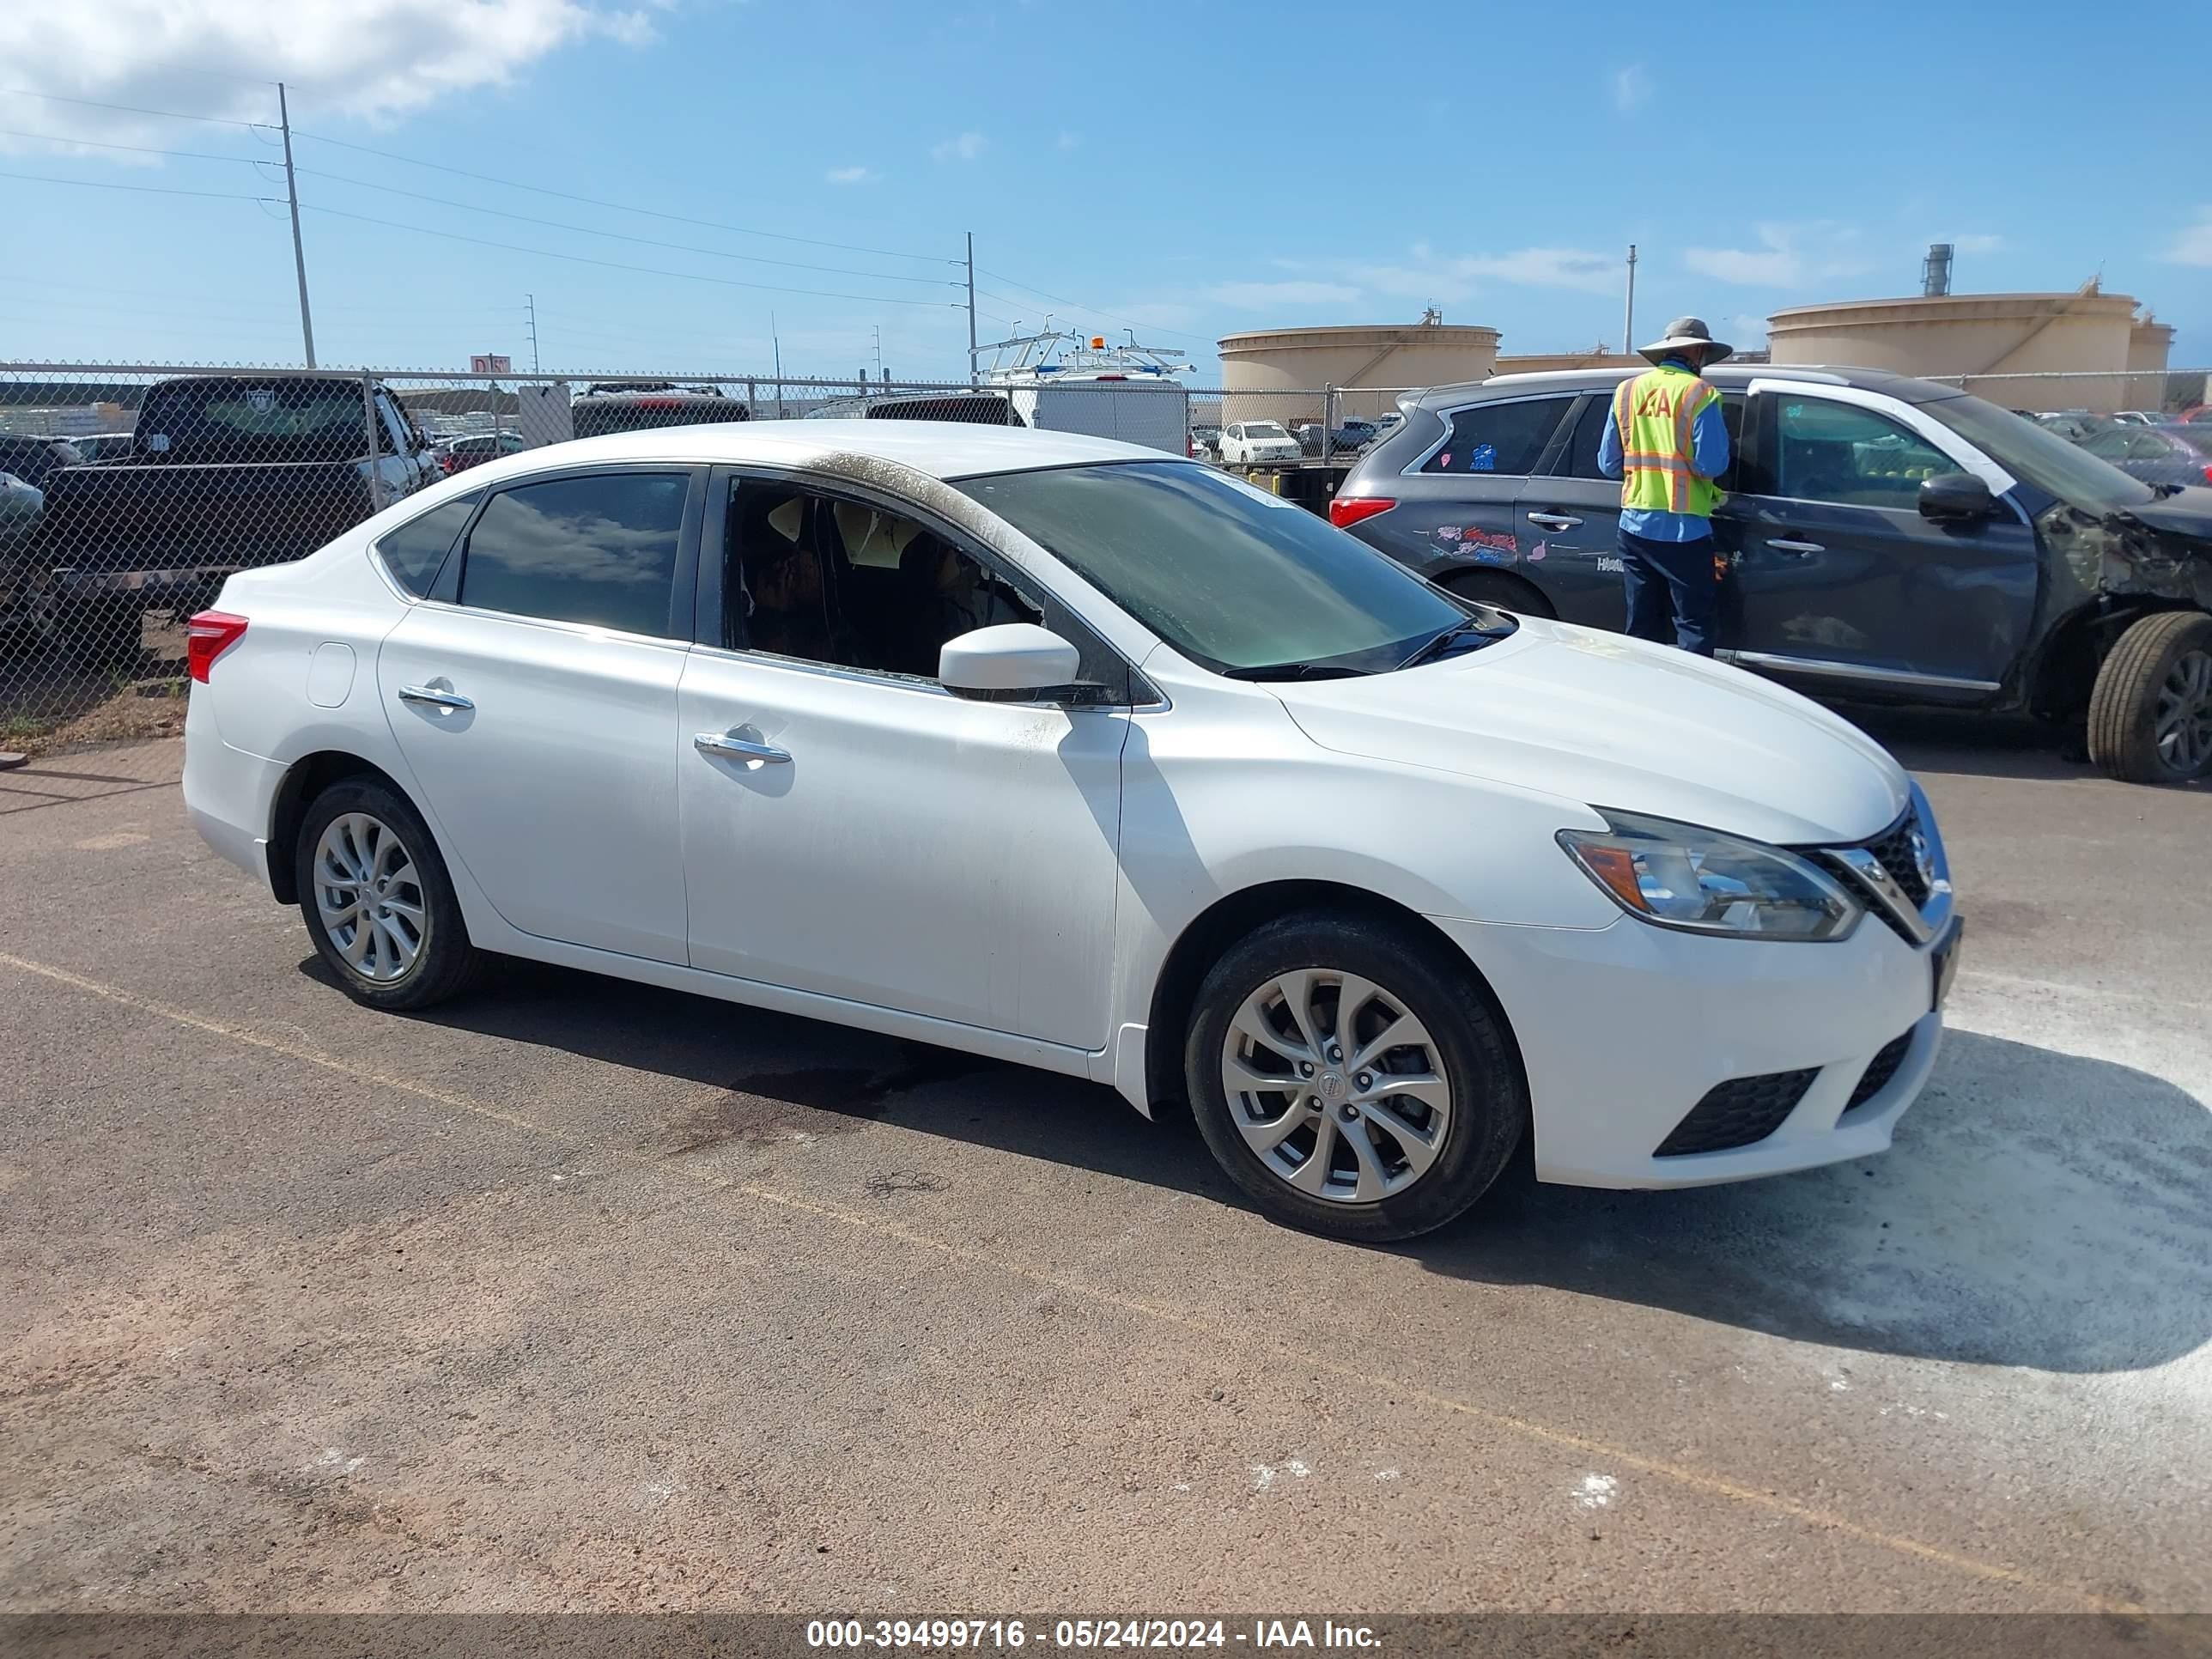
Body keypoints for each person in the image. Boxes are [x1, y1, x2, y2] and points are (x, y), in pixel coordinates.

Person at [1596, 316, 1733, 656]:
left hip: (1634, 527)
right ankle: (1687, 701)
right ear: (1699, 353)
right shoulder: (1701, 394)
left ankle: (1646, 696)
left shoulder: (1626, 391)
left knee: (1642, 625)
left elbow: (1608, 464)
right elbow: (1712, 464)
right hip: (1684, 529)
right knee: (1693, 625)